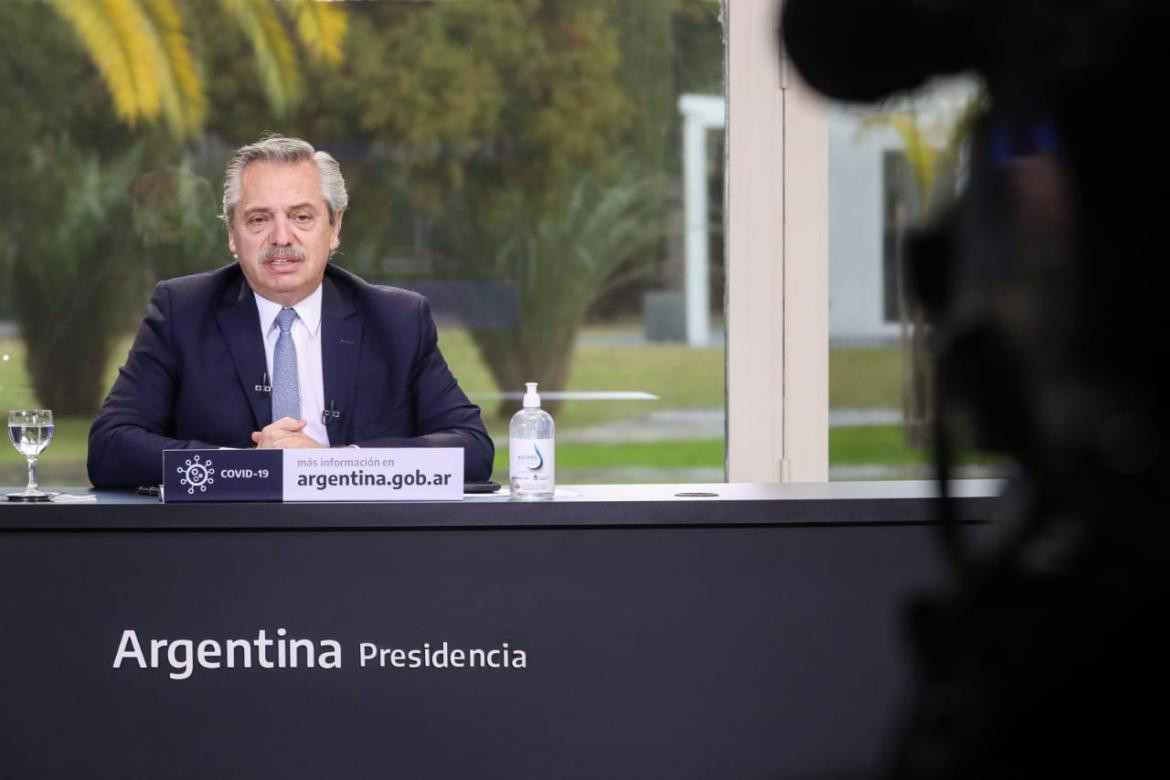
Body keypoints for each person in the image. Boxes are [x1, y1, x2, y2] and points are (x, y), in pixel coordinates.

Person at [88, 135, 493, 488]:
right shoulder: (182, 312)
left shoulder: (397, 320)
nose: (282, 237)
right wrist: (247, 467)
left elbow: (472, 450)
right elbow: (110, 447)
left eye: (301, 217)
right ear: (232, 234)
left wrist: (336, 464)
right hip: (223, 553)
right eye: (259, 219)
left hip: (360, 547)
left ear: (334, 228)